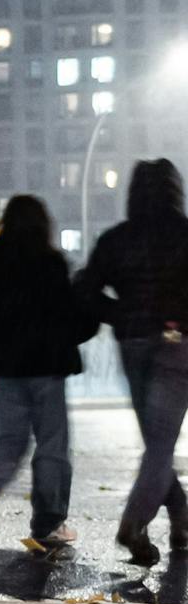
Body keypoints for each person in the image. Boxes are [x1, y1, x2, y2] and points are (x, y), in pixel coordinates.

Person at [76, 157, 188, 568]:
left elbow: (84, 288)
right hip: (177, 344)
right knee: (160, 444)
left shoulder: (116, 239)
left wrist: (120, 314)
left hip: (133, 344)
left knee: (156, 442)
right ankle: (134, 523)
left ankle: (181, 517)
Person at [0, 195, 87, 554]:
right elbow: (70, 316)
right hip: (47, 367)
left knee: (10, 439)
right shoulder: (50, 264)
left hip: (5, 368)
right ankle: (48, 523)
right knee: (52, 444)